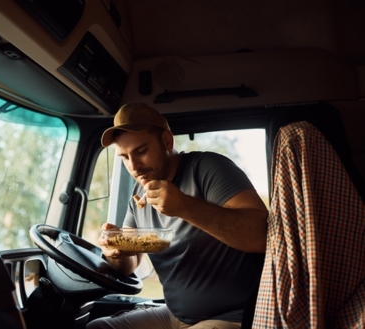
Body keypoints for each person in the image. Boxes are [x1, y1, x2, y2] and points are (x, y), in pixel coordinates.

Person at [87, 103, 268, 329]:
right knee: (98, 327)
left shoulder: (208, 168)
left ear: (166, 141)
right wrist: (115, 251)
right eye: (124, 157)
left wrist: (184, 206)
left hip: (233, 316)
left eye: (141, 151)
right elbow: (130, 263)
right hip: (174, 315)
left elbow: (262, 235)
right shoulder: (139, 192)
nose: (134, 167)